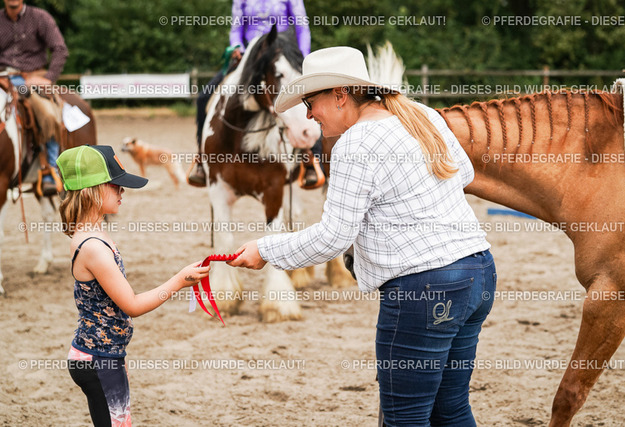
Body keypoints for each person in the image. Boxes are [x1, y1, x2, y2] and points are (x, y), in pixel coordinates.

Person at [228, 46, 496, 425]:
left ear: (340, 94)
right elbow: (463, 174)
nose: (308, 114)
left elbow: (333, 237)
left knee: (405, 417)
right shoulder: (422, 114)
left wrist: (265, 249)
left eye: (310, 102)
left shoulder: (355, 143)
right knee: (451, 409)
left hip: (423, 288)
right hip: (477, 271)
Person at [56, 145, 210, 426]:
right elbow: (132, 305)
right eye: (115, 186)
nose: (122, 191)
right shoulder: (92, 247)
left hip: (104, 354)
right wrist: (179, 280)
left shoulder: (91, 231)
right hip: (99, 358)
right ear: (92, 191)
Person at [189, 0, 324, 188]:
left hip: (282, 54)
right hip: (251, 58)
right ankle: (202, 157)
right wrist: (237, 47)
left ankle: (310, 158)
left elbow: (302, 27)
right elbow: (236, 29)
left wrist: (301, 56)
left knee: (307, 98)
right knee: (205, 97)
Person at [0, 0, 69, 196]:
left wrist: (48, 78)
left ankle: (50, 170)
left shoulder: (40, 18)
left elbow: (60, 49)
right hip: (2, 78)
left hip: (31, 79)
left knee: (48, 115)